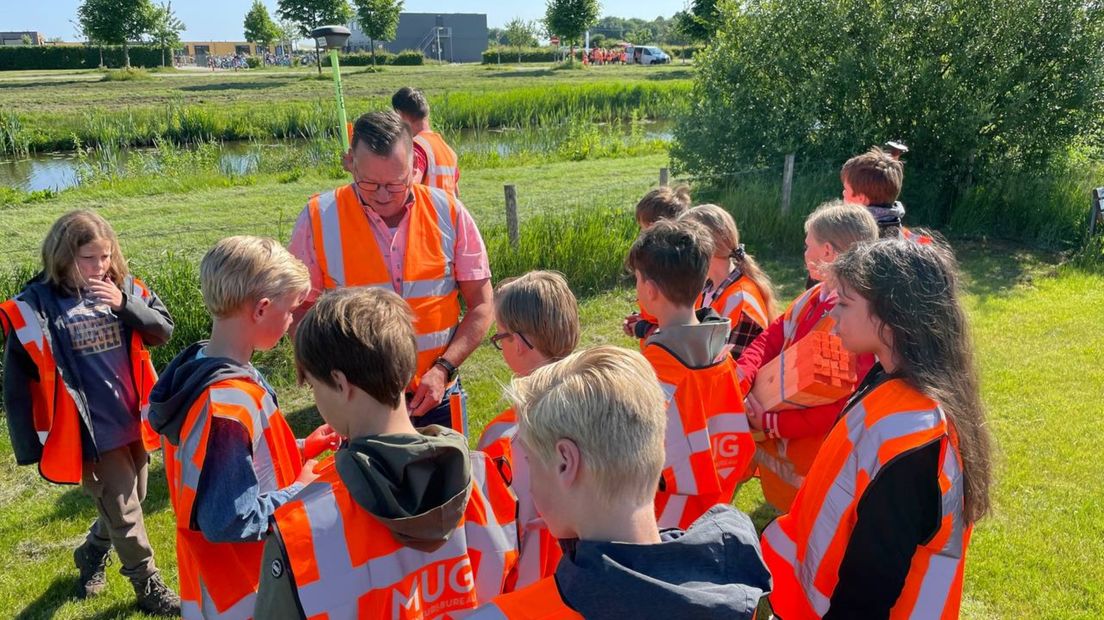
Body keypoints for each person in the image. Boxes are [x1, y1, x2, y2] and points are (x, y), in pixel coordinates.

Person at [761, 238, 993, 619]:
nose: (832, 313)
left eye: (846, 303)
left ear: (891, 317)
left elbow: (870, 588)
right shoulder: (885, 378)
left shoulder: (915, 441)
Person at [254, 287, 518, 618]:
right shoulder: (490, 483)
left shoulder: (300, 527)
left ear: (340, 383)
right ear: (406, 369)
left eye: (312, 386)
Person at [467, 346, 772, 619]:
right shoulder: (733, 584)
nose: (531, 486)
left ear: (565, 462)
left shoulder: (506, 615)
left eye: (532, 464)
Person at [0, 210, 180, 615]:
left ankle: (92, 551)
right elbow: (15, 386)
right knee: (125, 509)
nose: (99, 267)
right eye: (89, 259)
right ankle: (147, 585)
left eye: (105, 256)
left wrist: (125, 304)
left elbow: (162, 330)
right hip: (89, 432)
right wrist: (29, 446)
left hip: (132, 418)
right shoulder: (35, 307)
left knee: (134, 499)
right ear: (63, 257)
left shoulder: (124, 288)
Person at [149, 236, 337, 619]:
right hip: (245, 589)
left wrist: (298, 448)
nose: (290, 324)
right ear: (262, 309)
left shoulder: (202, 367)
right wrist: (303, 486)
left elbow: (227, 467)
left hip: (224, 582)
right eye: (289, 311)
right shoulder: (225, 404)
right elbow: (232, 518)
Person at [289, 110, 494, 433]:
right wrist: (319, 371)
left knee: (450, 484)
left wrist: (443, 370)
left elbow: (482, 305)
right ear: (350, 163)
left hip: (438, 396)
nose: (383, 196)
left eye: (396, 184)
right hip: (361, 409)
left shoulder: (449, 213)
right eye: (369, 183)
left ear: (415, 167)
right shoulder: (319, 218)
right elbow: (299, 309)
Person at [738, 201, 879, 513]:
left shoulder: (859, 323)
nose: (805, 253)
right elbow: (771, 336)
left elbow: (840, 408)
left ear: (827, 252)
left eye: (807, 245)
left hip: (816, 459)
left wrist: (771, 423)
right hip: (787, 444)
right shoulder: (814, 295)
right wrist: (743, 377)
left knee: (809, 523)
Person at [628, 220, 755, 529]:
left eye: (637, 278)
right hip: (714, 513)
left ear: (649, 289)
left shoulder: (653, 372)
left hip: (666, 522)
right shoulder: (722, 354)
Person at [477, 271, 580, 591]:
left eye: (499, 338)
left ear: (519, 343)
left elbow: (491, 544)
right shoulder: (604, 406)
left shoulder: (504, 440)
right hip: (594, 585)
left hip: (532, 591)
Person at [680, 203, 778, 358]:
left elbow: (730, 371)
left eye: (682, 244)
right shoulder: (708, 286)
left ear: (707, 247)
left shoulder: (740, 300)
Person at [622, 185, 692, 343]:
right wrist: (641, 319)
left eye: (645, 228)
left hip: (668, 353)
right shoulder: (667, 264)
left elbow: (679, 332)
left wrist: (643, 328)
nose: (642, 234)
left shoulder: (680, 272)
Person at [841, 146, 932, 244]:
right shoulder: (902, 232)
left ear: (861, 198)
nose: (843, 193)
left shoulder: (849, 234)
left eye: (846, 189)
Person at [393, 86, 461, 195]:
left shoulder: (417, 146)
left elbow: (410, 189)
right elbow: (456, 193)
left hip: (426, 212)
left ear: (399, 115)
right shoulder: (448, 151)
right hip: (448, 211)